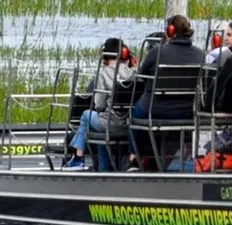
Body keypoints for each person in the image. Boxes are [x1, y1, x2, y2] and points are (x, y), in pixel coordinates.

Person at [127, 15, 206, 169]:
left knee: (134, 113)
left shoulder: (157, 51)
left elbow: (142, 76)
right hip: (188, 111)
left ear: (170, 31)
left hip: (155, 110)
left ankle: (134, 158)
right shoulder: (200, 54)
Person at [63, 38, 135, 170]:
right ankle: (103, 168)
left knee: (86, 115)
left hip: (109, 123)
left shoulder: (103, 74)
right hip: (128, 125)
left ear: (105, 55)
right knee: (99, 129)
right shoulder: (131, 73)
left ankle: (78, 157)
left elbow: (99, 105)